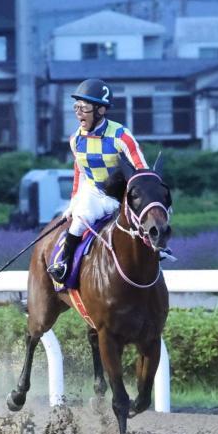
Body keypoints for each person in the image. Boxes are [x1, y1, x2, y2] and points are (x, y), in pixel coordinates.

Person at [47, 78, 147, 284]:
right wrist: (73, 202)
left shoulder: (121, 135)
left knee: (145, 223)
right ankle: (64, 264)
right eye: (76, 107)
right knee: (77, 224)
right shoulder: (76, 139)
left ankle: (158, 251)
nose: (78, 112)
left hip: (122, 195)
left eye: (84, 107)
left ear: (101, 110)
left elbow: (141, 169)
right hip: (94, 193)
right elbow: (79, 172)